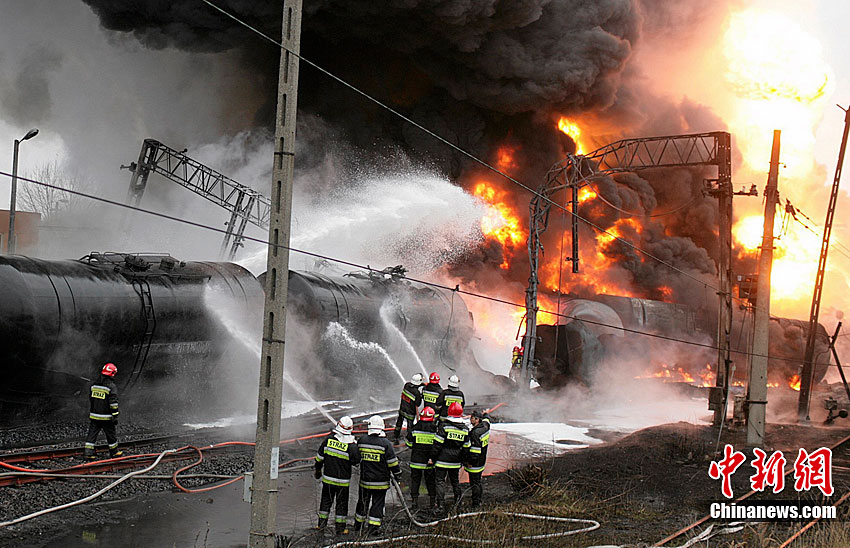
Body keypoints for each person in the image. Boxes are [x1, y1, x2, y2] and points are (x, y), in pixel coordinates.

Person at [355, 415, 402, 535]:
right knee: (377, 504)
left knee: (362, 502)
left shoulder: (362, 440)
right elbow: (393, 463)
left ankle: (358, 526)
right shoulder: (385, 444)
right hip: (380, 482)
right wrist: (398, 474)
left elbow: (356, 458)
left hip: (365, 480)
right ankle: (373, 528)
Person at [315, 416, 361, 535]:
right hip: (342, 483)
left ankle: (321, 525)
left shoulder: (328, 440)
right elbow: (356, 461)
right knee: (341, 505)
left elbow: (319, 458)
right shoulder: (351, 446)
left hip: (328, 480)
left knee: (325, 503)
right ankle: (340, 529)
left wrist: (318, 470)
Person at [431, 401, 470, 512]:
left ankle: (440, 505)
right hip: (455, 461)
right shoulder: (465, 429)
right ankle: (458, 502)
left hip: (442, 460)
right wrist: (463, 460)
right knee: (455, 482)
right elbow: (466, 448)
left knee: (440, 481)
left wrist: (433, 457)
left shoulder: (444, 427)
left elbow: (437, 444)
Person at [84, 363, 122, 459]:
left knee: (92, 434)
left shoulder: (94, 385)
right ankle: (114, 452)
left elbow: (91, 399)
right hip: (106, 417)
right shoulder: (111, 386)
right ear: (112, 374)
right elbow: (113, 403)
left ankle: (88, 453)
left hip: (94, 415)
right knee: (111, 435)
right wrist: (115, 416)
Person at [406, 406, 438, 511]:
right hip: (429, 461)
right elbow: (437, 445)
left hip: (416, 461)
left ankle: (414, 502)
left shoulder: (415, 428)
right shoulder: (435, 429)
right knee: (430, 482)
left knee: (415, 481)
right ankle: (432, 502)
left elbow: (409, 443)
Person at [464, 410, 491, 508]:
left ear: (477, 419)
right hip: (482, 460)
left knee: (475, 483)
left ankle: (476, 503)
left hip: (476, 463)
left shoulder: (475, 433)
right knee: (478, 481)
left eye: (472, 418)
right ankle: (478, 500)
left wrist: (470, 462)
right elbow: (487, 420)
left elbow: (475, 451)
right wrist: (486, 414)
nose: (470, 420)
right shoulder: (485, 427)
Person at [393, 373, 424, 442]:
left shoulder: (406, 385)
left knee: (399, 422)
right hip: (410, 412)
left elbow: (412, 387)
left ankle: (396, 434)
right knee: (410, 426)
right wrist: (420, 396)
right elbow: (418, 404)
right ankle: (409, 438)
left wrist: (421, 384)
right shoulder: (416, 392)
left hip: (402, 409)